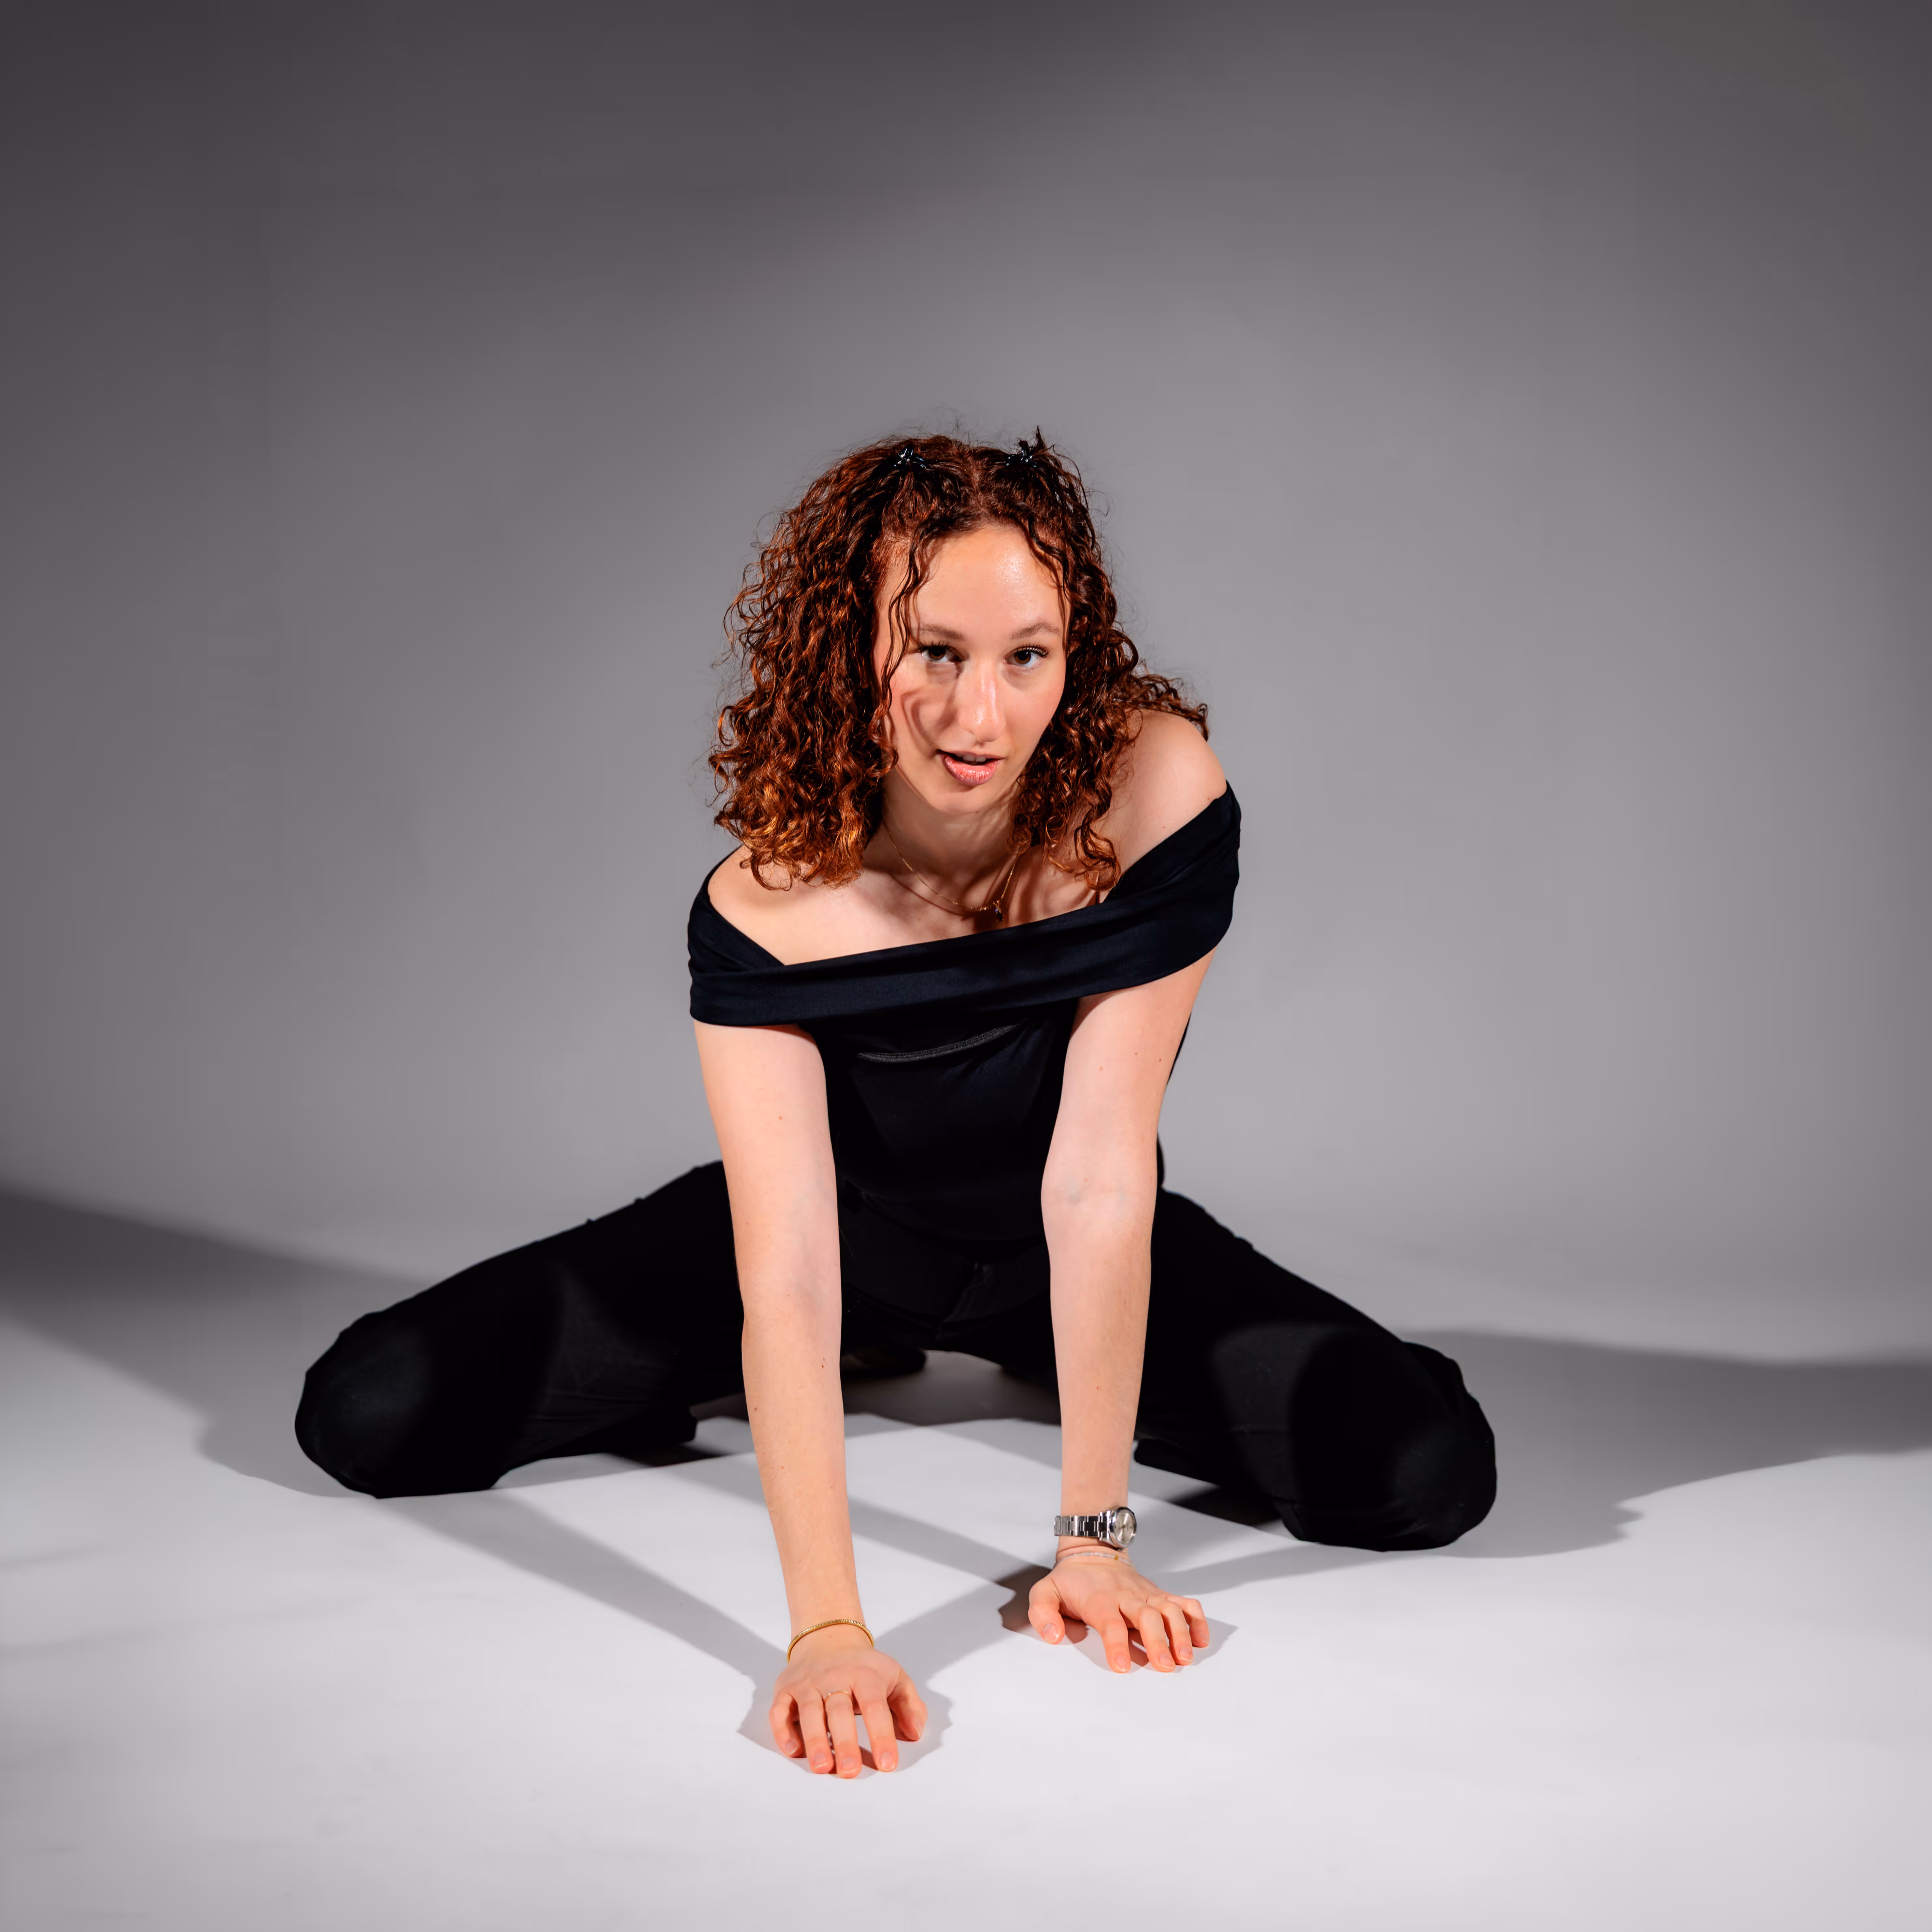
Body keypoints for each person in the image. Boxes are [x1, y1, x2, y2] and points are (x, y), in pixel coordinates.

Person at [296, 431, 1497, 1779]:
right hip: (840, 1241)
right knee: (369, 1413)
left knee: (1426, 1472)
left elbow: (1100, 1175)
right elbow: (790, 1269)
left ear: (1075, 649)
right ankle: (805, 1365)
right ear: (849, 647)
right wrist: (827, 1629)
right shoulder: (767, 904)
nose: (981, 718)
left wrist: (1092, 1543)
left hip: (1065, 1245)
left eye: (1026, 655)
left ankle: (1043, 1358)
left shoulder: (1157, 797)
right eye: (934, 651)